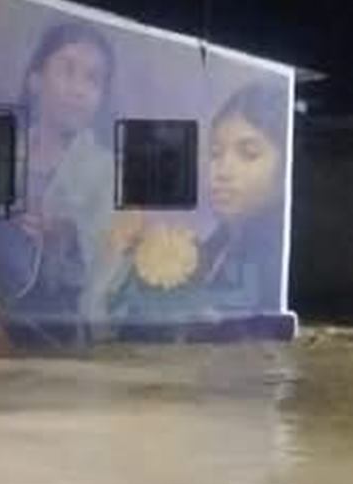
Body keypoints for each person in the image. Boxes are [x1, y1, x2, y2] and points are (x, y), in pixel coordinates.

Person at [0, 21, 120, 345]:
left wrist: (65, 240)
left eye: (93, 79)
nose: (79, 89)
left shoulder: (107, 172)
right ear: (35, 80)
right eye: (67, 71)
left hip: (61, 328)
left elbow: (111, 269)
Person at [113, 81, 288, 337]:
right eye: (215, 154)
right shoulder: (216, 246)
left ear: (286, 167)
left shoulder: (275, 258)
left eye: (248, 154)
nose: (222, 171)